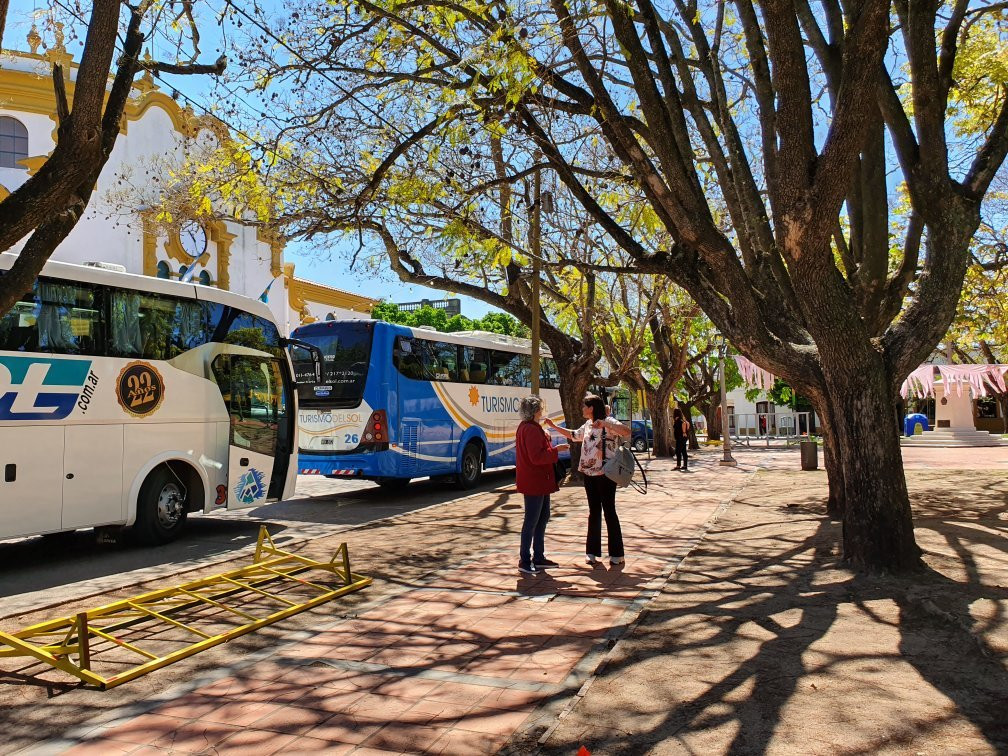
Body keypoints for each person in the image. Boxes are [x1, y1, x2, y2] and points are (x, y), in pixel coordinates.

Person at [546, 394, 631, 566]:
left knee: (609, 511)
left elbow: (627, 432)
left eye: (585, 406)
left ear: (591, 408)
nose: (582, 409)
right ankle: (591, 552)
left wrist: (605, 424)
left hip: (606, 474)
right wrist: (553, 427)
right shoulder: (586, 425)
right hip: (588, 474)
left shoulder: (609, 422)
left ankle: (617, 554)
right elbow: (573, 435)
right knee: (593, 512)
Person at [515, 396, 569, 575]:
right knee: (532, 520)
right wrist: (556, 450)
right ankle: (525, 559)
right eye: (539, 408)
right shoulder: (530, 429)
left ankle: (538, 556)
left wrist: (547, 441)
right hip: (535, 480)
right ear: (535, 411)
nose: (542, 411)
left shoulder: (530, 428)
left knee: (542, 517)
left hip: (539, 480)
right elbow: (536, 457)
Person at [673, 407, 690, 471]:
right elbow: (687, 423)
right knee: (683, 451)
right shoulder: (681, 419)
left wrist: (684, 432)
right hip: (682, 437)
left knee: (678, 451)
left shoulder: (679, 420)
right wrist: (686, 431)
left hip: (680, 438)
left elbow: (685, 424)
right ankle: (685, 465)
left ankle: (678, 465)